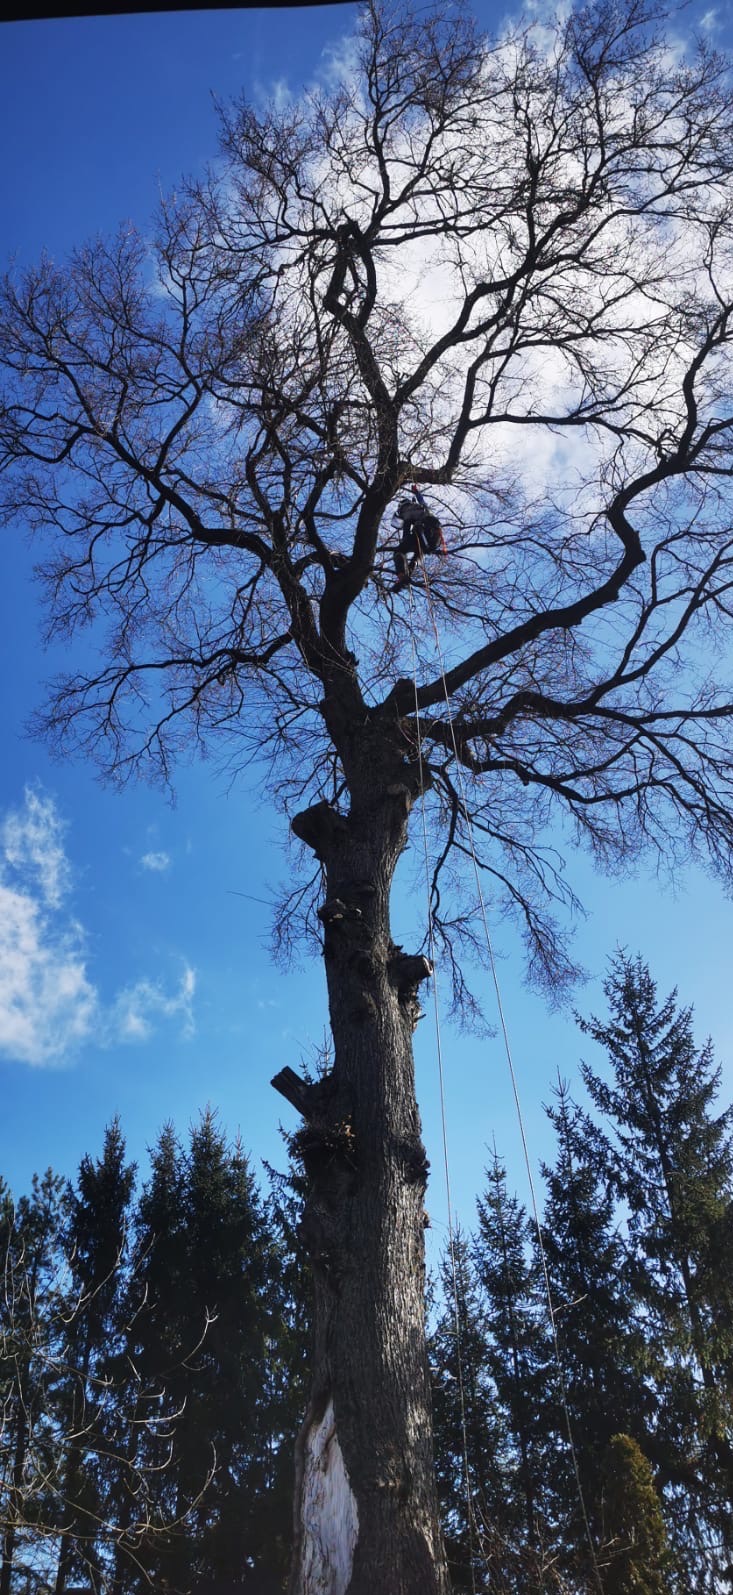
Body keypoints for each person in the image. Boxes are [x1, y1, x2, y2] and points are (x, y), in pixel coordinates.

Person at [391, 485, 446, 591]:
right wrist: (416, 491)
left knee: (399, 552)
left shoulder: (407, 510)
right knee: (416, 556)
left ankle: (402, 575)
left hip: (423, 533)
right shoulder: (423, 508)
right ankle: (405, 579)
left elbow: (406, 530)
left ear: (401, 507)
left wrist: (404, 542)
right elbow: (421, 500)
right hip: (435, 540)